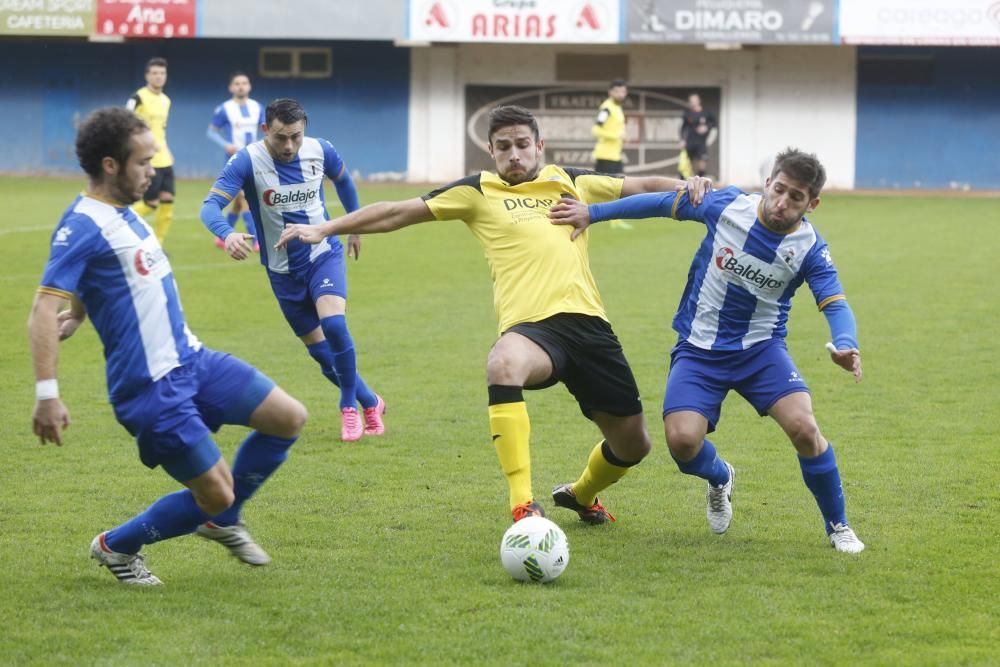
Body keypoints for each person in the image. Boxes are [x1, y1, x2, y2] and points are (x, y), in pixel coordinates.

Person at [275, 105, 708, 523]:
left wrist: (688, 183)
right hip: (533, 331)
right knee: (503, 363)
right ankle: (523, 503)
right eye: (504, 147)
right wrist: (326, 228)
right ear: (491, 150)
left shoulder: (570, 180)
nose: (514, 154)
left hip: (590, 326)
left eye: (522, 144)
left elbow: (637, 185)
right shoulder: (477, 191)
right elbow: (395, 212)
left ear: (540, 145)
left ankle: (581, 495)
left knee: (633, 445)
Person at [28, 107, 308, 586]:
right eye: (142, 162)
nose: (153, 171)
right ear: (111, 165)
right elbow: (39, 310)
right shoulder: (82, 224)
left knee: (288, 418)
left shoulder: (126, 215)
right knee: (216, 493)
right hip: (149, 388)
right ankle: (117, 546)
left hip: (194, 361)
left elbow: (95, 279)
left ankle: (221, 519)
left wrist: (79, 312)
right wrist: (47, 393)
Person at [548, 148, 866, 553]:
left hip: (761, 351)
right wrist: (593, 213)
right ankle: (720, 477)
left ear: (812, 204)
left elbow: (834, 303)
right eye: (779, 189)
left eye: (796, 198)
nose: (783, 203)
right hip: (698, 350)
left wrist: (846, 344)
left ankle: (838, 525)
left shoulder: (810, 248)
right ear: (768, 183)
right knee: (682, 443)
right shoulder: (727, 205)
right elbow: (663, 203)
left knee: (804, 428)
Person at [200, 98, 385, 443]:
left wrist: (354, 225)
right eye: (281, 137)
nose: (289, 146)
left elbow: (344, 182)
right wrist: (227, 234)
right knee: (321, 356)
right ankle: (370, 401)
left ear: (305, 131)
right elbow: (209, 206)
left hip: (322, 254)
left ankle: (348, 408)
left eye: (296, 137)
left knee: (333, 323)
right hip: (281, 270)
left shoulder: (321, 151)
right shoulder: (246, 160)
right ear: (265, 130)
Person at [207, 71, 261, 251]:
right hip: (234, 161)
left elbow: (268, 129)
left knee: (239, 202)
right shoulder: (224, 108)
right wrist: (225, 145)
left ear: (249, 86)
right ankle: (256, 241)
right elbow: (211, 131)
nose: (241, 86)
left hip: (253, 160)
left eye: (244, 83)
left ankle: (221, 239)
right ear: (231, 87)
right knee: (245, 197)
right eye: (237, 83)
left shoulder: (257, 107)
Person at [126, 57, 175, 245]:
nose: (158, 77)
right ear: (147, 75)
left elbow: (161, 129)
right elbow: (126, 122)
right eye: (154, 73)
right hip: (148, 160)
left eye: (162, 73)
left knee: (167, 201)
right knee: (150, 203)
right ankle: (119, 218)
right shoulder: (137, 97)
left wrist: (168, 150)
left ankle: (158, 245)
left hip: (165, 159)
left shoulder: (166, 100)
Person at [591, 79, 632, 230]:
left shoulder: (617, 108)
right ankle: (596, 216)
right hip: (605, 155)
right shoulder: (606, 108)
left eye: (623, 91)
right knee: (604, 189)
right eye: (618, 91)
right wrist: (616, 135)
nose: (621, 94)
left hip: (615, 155)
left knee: (619, 187)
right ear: (610, 92)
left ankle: (615, 220)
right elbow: (596, 130)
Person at [679, 93, 716, 179]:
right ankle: (685, 182)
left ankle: (700, 180)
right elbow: (683, 128)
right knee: (686, 163)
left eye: (694, 100)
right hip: (690, 141)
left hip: (701, 141)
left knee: (702, 162)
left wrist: (706, 127)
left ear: (699, 101)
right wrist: (682, 139)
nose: (693, 102)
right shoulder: (687, 113)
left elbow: (714, 123)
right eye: (691, 101)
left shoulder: (706, 112)